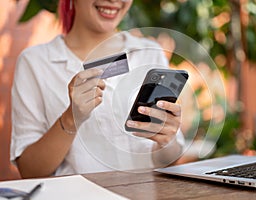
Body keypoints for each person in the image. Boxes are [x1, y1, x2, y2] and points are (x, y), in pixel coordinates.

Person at [10, 0, 185, 178]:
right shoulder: (36, 62)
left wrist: (167, 141)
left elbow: (168, 161)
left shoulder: (149, 53)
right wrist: (71, 118)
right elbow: (29, 171)